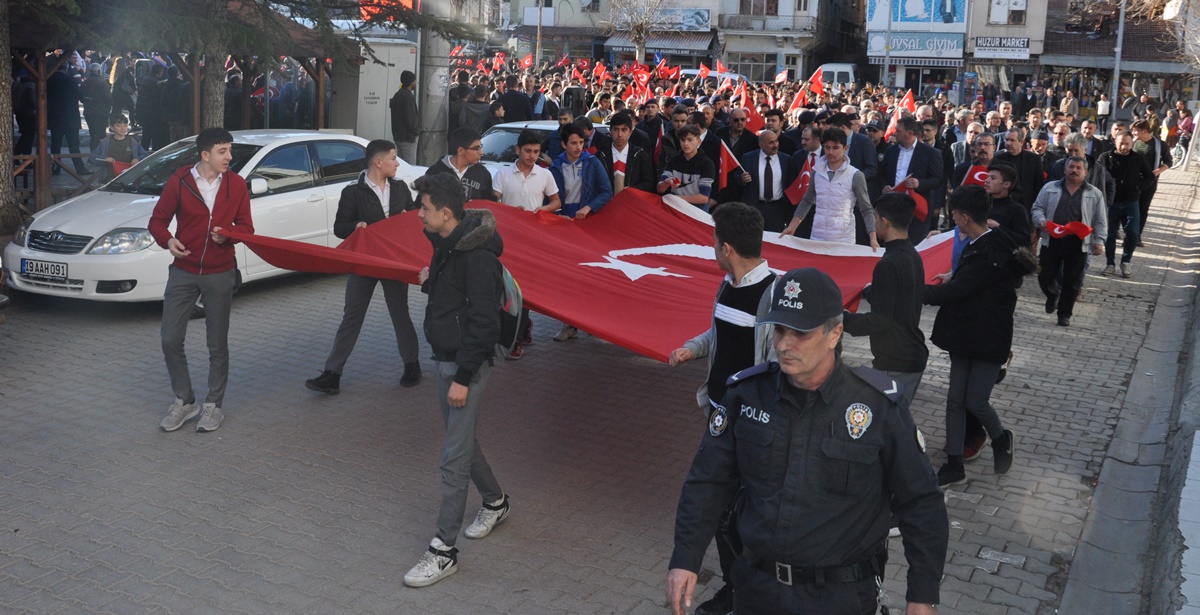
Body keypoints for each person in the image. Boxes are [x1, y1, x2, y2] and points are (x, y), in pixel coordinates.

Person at [667, 267, 948, 615]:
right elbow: (707, 481)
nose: (784, 344)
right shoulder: (746, 394)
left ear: (835, 334)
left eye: (800, 332)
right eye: (780, 329)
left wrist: (922, 594)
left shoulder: (877, 408)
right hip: (757, 590)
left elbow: (921, 501)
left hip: (839, 598)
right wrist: (686, 558)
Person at [668, 203, 777, 615]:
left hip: (746, 425)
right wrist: (691, 349)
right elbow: (718, 335)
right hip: (716, 415)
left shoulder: (771, 295)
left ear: (727, 247)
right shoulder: (727, 285)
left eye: (714, 241)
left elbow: (775, 366)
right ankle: (735, 587)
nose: (712, 248)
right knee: (719, 511)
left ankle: (747, 593)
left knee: (738, 514)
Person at [404, 173, 510, 588]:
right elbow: (454, 293)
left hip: (465, 366)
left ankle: (443, 550)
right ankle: (496, 502)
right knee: (462, 440)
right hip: (445, 358)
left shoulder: (478, 256)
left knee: (452, 456)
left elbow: (484, 323)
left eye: (425, 209)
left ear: (446, 213)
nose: (419, 214)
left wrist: (464, 377)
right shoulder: (445, 241)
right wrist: (432, 282)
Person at [923, 186, 1032, 486]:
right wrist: (953, 275)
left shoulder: (989, 250)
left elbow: (960, 289)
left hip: (988, 338)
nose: (953, 220)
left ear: (965, 217)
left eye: (955, 215)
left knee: (975, 401)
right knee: (955, 400)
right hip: (964, 333)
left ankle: (1000, 438)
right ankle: (954, 463)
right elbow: (964, 280)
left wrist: (915, 292)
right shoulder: (982, 242)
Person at [148, 127, 254, 434]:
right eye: (223, 152)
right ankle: (185, 400)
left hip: (220, 273)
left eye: (230, 151)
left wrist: (228, 235)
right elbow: (157, 221)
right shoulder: (179, 181)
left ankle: (213, 406)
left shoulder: (236, 184)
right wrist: (167, 241)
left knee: (216, 344)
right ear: (205, 155)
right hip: (183, 271)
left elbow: (247, 228)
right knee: (170, 338)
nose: (229, 157)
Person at [305, 140, 422, 395]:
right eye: (393, 158)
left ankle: (412, 365)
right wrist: (355, 227)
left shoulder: (401, 188)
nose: (397, 163)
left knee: (400, 314)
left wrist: (407, 218)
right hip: (364, 263)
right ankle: (332, 374)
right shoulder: (353, 193)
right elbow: (339, 228)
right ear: (378, 162)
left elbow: (415, 220)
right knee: (351, 317)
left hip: (393, 263)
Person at [842, 192, 928, 406]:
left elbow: (880, 321)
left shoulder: (888, 264)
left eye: (875, 217)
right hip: (908, 353)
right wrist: (868, 291)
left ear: (884, 222)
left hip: (896, 361)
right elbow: (898, 298)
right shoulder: (912, 255)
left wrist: (840, 318)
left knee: (884, 427)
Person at [1031, 156, 1107, 326]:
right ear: (1064, 170)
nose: (1074, 170)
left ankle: (1064, 314)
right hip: (1052, 239)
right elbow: (1037, 208)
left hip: (1078, 243)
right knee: (1045, 275)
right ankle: (1052, 295)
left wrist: (1099, 241)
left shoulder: (1094, 193)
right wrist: (1041, 220)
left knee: (1073, 281)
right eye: (1071, 167)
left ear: (1085, 172)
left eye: (1079, 168)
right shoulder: (1050, 188)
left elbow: (1101, 219)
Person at [782, 128, 877, 248]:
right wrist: (792, 227)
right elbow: (807, 200)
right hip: (817, 237)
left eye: (835, 148)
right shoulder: (816, 172)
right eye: (827, 147)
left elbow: (866, 209)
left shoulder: (855, 175)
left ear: (845, 148)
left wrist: (873, 238)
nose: (831, 152)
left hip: (843, 240)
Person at [1098, 132, 1155, 278]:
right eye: (1121, 143)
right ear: (1115, 142)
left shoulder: (1137, 158)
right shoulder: (1105, 157)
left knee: (1133, 233)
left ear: (1132, 144)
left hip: (1131, 201)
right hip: (1111, 202)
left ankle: (1126, 261)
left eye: (1127, 144)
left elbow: (1150, 177)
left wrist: (1138, 187)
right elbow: (1097, 175)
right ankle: (1110, 263)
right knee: (1109, 234)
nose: (1124, 147)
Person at [879, 117, 945, 241]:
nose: (895, 133)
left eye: (898, 131)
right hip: (893, 207)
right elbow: (882, 174)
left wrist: (919, 183)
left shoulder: (930, 153)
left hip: (917, 209)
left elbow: (938, 179)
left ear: (909, 133)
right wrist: (884, 186)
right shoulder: (890, 151)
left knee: (914, 245)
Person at [735, 129, 795, 233]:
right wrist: (742, 179)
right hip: (754, 207)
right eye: (771, 142)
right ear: (761, 145)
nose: (775, 145)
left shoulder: (786, 159)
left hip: (777, 209)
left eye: (776, 141)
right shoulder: (748, 158)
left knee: (774, 242)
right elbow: (735, 178)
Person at [658, 125, 716, 212]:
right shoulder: (674, 160)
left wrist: (676, 198)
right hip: (675, 207)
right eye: (682, 140)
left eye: (690, 140)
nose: (685, 143)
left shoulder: (707, 163)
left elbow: (703, 198)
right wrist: (666, 183)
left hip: (697, 210)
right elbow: (659, 189)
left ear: (699, 142)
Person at [1130, 119, 1172, 241]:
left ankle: (1137, 235)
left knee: (1143, 208)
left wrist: (1158, 171)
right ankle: (1130, 233)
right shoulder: (1134, 142)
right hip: (1133, 180)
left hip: (1149, 182)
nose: (1133, 133)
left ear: (1144, 131)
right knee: (1131, 207)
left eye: (1135, 131)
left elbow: (1169, 162)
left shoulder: (1159, 145)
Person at [425, 127, 494, 201]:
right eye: (476, 149)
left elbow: (490, 204)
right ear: (460, 150)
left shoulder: (482, 173)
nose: (481, 152)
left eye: (481, 147)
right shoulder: (435, 172)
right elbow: (422, 204)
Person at [596, 112, 656, 194]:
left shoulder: (640, 154)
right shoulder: (600, 154)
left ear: (630, 132)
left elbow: (649, 183)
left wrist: (632, 190)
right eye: (616, 129)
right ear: (610, 131)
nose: (620, 134)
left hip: (631, 203)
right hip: (606, 204)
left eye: (624, 130)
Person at [983, 163, 1032, 247]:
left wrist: (999, 227)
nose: (987, 180)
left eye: (993, 178)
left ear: (1006, 184)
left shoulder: (1017, 209)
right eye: (987, 177)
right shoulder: (980, 205)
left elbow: (1024, 241)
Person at [89, 113, 148, 183]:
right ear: (112, 127)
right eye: (118, 126)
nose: (123, 128)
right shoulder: (105, 142)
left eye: (125, 126)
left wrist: (138, 159)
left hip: (129, 177)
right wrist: (105, 159)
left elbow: (145, 155)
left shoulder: (133, 141)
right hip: (109, 178)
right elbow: (92, 157)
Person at [80, 64, 113, 151]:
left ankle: (93, 154)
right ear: (99, 71)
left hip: (89, 112)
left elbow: (81, 98)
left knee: (93, 134)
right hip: (101, 113)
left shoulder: (85, 83)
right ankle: (98, 155)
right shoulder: (103, 83)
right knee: (100, 135)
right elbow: (108, 98)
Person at [390, 70, 419, 164]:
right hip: (408, 138)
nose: (415, 83)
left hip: (398, 136)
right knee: (409, 165)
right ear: (411, 83)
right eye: (414, 81)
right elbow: (410, 119)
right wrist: (416, 131)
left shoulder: (397, 95)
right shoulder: (408, 97)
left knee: (401, 164)